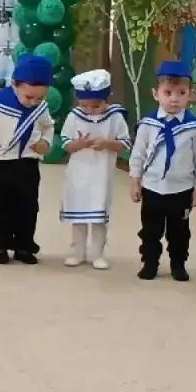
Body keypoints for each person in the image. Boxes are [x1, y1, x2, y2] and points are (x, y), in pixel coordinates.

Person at [128, 59, 196, 281]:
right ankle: (150, 262)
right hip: (152, 187)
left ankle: (178, 264)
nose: (174, 99)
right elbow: (138, 154)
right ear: (156, 94)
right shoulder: (148, 124)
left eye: (181, 93)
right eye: (168, 92)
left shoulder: (194, 128)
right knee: (150, 230)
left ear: (190, 95)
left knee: (179, 231)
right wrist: (135, 181)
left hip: (181, 190)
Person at [0, 54, 55, 264]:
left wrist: (45, 142)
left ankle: (24, 246)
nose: (34, 102)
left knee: (27, 206)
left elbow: (48, 126)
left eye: (39, 98)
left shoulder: (41, 108)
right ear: (14, 84)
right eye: (29, 97)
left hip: (27, 163)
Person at [60, 69, 130, 269]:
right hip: (78, 174)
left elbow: (125, 143)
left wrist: (107, 143)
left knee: (98, 217)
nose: (89, 110)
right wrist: (79, 144)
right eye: (84, 105)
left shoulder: (115, 117)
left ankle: (98, 254)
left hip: (101, 174)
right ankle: (78, 252)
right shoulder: (74, 116)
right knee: (78, 216)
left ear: (106, 99)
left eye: (95, 106)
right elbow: (65, 143)